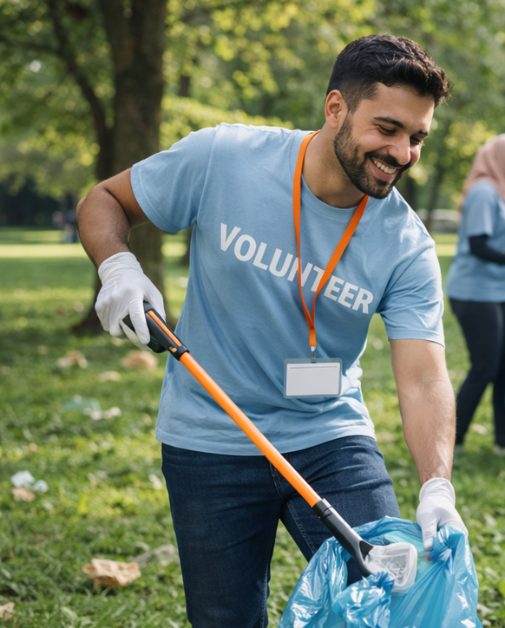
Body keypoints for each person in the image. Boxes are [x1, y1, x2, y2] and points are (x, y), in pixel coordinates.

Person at [76, 35, 468, 627]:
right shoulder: (224, 156)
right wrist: (116, 267)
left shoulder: (407, 243)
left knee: (389, 605)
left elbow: (423, 376)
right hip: (209, 436)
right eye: (387, 129)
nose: (403, 152)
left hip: (330, 437)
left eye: (416, 137)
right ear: (336, 107)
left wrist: (437, 486)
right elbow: (104, 199)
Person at [444, 133, 505, 455]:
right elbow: (478, 244)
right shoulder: (484, 192)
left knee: (504, 366)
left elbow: (503, 240)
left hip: (498, 290)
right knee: (484, 366)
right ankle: (447, 440)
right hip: (473, 292)